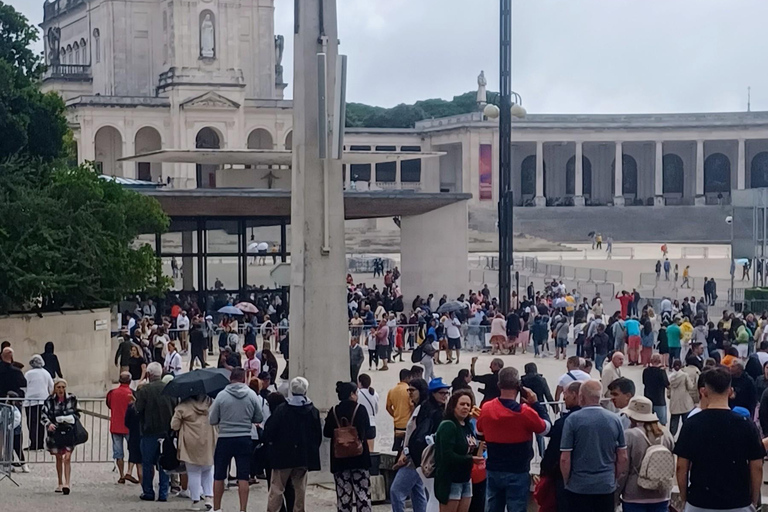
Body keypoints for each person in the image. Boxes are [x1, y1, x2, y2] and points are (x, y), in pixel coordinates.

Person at [675, 366, 765, 512]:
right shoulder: (746, 424)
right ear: (730, 392)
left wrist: (684, 498)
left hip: (700, 501)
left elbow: (681, 466)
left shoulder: (692, 423)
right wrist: (753, 500)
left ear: (704, 391)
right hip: (738, 502)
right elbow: (757, 466)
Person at [478, 367, 550, 512]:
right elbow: (547, 429)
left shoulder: (486, 408)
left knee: (492, 507)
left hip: (494, 469)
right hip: (518, 471)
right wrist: (536, 404)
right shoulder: (525, 412)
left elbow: (479, 432)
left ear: (499, 385)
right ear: (518, 386)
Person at [560, 380, 628, 512]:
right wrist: (613, 478)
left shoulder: (572, 420)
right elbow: (623, 457)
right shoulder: (615, 419)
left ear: (581, 396)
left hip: (578, 486)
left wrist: (567, 481)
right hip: (605, 485)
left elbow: (565, 458)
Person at [263, 377, 322, 512]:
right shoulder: (313, 411)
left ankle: (273, 510)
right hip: (303, 455)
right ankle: (299, 510)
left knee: (277, 488)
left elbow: (270, 430)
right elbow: (317, 435)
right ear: (306, 390)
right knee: (299, 487)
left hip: (282, 455)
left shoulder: (282, 410)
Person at [209, 367, 263, 512]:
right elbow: (259, 417)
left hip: (225, 437)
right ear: (244, 379)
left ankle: (217, 508)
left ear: (230, 379)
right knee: (243, 476)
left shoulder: (221, 396)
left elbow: (212, 419)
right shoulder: (251, 395)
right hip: (244, 437)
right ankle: (242, 509)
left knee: (219, 475)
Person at [617, 396, 675, 512]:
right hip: (661, 493)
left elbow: (624, 469)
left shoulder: (630, 435)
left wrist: (617, 493)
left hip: (634, 494)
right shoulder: (666, 434)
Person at [324, 382, 372, 512]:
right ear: (351, 394)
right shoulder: (360, 409)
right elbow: (367, 429)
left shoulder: (333, 411)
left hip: (340, 460)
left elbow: (327, 433)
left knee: (343, 497)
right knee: (362, 495)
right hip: (359, 457)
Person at [434, 390, 481, 512]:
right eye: (462, 404)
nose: (465, 407)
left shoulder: (468, 426)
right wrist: (470, 459)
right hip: (451, 480)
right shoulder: (448, 426)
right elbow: (447, 455)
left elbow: (472, 448)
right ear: (454, 406)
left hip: (466, 478)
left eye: (468, 405)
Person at [135, 362, 176, 502]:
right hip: (166, 432)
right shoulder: (170, 390)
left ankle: (148, 491)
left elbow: (138, 410)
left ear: (148, 374)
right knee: (164, 462)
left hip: (149, 431)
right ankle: (164, 492)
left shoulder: (145, 391)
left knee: (147, 463)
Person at [540, 381, 582, 512]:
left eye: (566, 394)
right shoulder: (607, 420)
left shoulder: (564, 423)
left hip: (565, 479)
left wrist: (545, 470)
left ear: (575, 395)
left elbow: (554, 452)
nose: (564, 398)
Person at [172, 393, 217, 511]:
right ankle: (209, 497)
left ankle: (196, 501)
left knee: (193, 472)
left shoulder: (184, 406)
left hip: (190, 442)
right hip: (208, 440)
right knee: (208, 470)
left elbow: (174, 425)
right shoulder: (212, 403)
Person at [390, 378, 429, 512]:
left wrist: (406, 453)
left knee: (396, 491)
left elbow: (418, 436)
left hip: (413, 457)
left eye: (412, 390)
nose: (410, 393)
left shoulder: (423, 409)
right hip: (415, 456)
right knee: (417, 491)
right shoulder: (419, 408)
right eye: (409, 390)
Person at [42, 379, 80, 494]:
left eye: (63, 387)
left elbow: (78, 412)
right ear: (55, 388)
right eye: (58, 387)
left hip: (69, 430)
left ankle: (67, 483)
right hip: (56, 432)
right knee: (58, 457)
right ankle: (60, 482)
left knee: (67, 458)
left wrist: (70, 418)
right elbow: (43, 415)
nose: (61, 390)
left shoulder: (72, 398)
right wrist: (49, 424)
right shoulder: (49, 400)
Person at [106, 372, 135, 484]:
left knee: (118, 452)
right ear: (130, 381)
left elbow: (109, 405)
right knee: (132, 450)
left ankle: (121, 474)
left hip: (116, 425)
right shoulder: (131, 393)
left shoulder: (112, 393)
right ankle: (129, 472)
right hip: (129, 426)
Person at [24, 354, 54, 451]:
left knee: (31, 423)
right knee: (41, 423)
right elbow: (51, 387)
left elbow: (24, 387)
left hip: (30, 401)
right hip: (43, 401)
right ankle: (40, 444)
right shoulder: (46, 373)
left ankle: (34, 443)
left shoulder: (28, 374)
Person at [387, 368, 414, 454]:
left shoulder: (392, 391)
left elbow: (388, 407)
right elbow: (412, 406)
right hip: (407, 424)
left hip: (397, 424)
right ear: (407, 378)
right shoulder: (409, 391)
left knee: (398, 449)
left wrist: (395, 415)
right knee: (407, 448)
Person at [668, 360, 694, 436]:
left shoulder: (670, 377)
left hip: (674, 402)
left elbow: (668, 389)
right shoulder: (685, 375)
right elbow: (690, 387)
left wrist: (669, 395)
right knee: (686, 422)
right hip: (684, 401)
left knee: (674, 423)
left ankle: (671, 438)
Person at [642, 355, 669, 425]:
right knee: (662, 422)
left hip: (648, 398)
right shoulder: (661, 372)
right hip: (659, 399)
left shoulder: (646, 371)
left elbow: (644, 382)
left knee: (648, 422)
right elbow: (667, 384)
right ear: (660, 361)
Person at [357, 374, 379, 452]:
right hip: (372, 424)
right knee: (371, 450)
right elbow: (376, 410)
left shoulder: (358, 394)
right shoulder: (374, 394)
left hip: (361, 424)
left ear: (360, 383)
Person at [123, 396, 143, 485]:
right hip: (142, 434)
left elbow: (126, 422)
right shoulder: (144, 407)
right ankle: (142, 481)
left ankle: (129, 471)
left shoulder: (131, 407)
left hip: (133, 434)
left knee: (132, 453)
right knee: (140, 461)